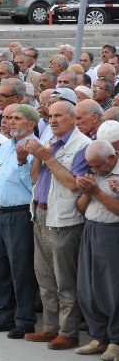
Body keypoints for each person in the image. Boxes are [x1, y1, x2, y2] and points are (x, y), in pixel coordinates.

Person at [24, 100, 89, 350]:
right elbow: (36, 177)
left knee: (64, 281)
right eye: (50, 115)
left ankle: (68, 332)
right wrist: (38, 157)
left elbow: (74, 184)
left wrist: (47, 157)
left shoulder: (82, 145)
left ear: (73, 118)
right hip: (40, 213)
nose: (53, 120)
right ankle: (50, 328)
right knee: (44, 277)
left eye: (59, 115)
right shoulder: (51, 141)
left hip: (63, 220)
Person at [0, 104, 39, 339]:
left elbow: (32, 186)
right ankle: (1, 317)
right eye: (8, 117)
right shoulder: (4, 147)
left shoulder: (34, 148)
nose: (10, 122)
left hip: (19, 215)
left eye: (17, 118)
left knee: (20, 269)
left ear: (31, 124)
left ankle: (24, 320)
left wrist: (24, 163)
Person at [75, 140, 119, 360]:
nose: (95, 170)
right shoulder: (95, 175)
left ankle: (116, 341)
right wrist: (87, 192)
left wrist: (97, 193)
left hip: (112, 232)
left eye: (98, 166)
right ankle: (99, 336)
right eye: (91, 166)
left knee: (111, 289)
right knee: (87, 287)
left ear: (112, 157)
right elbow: (81, 209)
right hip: (91, 229)